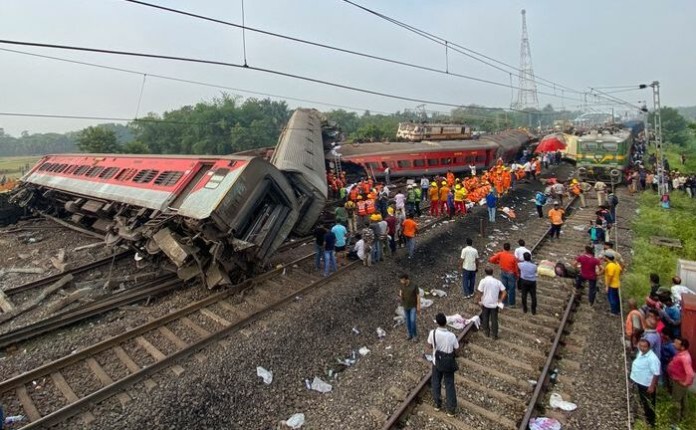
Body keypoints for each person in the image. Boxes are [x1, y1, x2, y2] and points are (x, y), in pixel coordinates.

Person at [427, 313, 459, 417]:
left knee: (436, 382)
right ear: (446, 322)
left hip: (437, 362)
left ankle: (437, 404)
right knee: (449, 385)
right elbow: (457, 349)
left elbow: (429, 345)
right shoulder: (451, 336)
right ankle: (451, 409)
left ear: (437, 323)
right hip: (448, 363)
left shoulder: (433, 333)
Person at [630, 339, 660, 428]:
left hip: (646, 385)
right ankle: (645, 418)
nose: (642, 348)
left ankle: (651, 424)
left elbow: (656, 373)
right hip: (639, 381)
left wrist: (652, 386)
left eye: (644, 346)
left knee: (649, 404)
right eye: (641, 346)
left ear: (649, 347)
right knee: (643, 401)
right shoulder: (640, 352)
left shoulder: (652, 358)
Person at [667, 337, 694, 422]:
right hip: (679, 380)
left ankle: (674, 421)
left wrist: (685, 383)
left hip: (679, 382)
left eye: (676, 343)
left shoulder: (684, 358)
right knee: (683, 399)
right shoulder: (681, 353)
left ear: (682, 347)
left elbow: (690, 373)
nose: (673, 344)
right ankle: (684, 417)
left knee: (676, 401)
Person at [475, 267, 507, 340]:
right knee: (494, 319)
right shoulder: (497, 282)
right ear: (492, 273)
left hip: (485, 303)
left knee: (485, 317)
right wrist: (500, 300)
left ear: (485, 273)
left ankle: (486, 332)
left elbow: (479, 292)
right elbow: (504, 292)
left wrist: (478, 300)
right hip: (494, 304)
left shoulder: (483, 281)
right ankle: (494, 335)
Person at [489, 243, 519, 307]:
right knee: (511, 288)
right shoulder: (513, 257)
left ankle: (504, 302)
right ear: (509, 248)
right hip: (511, 274)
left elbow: (491, 259)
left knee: (504, 288)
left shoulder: (500, 254)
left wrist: (498, 262)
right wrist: (517, 275)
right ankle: (511, 304)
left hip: (503, 272)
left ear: (503, 248)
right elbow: (516, 268)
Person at [399, 274, 420, 341]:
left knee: (412, 320)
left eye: (402, 280)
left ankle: (414, 335)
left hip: (413, 306)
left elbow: (418, 296)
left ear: (406, 279)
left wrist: (418, 305)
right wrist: (400, 295)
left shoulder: (414, 285)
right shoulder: (402, 285)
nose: (401, 281)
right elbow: (401, 296)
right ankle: (409, 334)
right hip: (405, 306)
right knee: (407, 321)